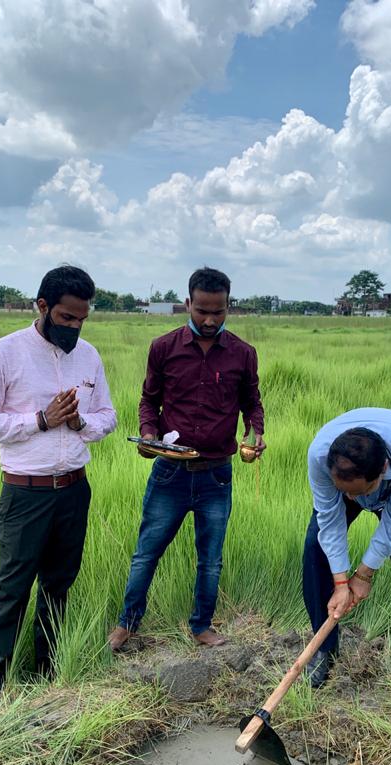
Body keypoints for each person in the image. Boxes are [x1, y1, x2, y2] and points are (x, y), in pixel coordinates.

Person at [0, 265, 116, 707]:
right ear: (43, 306)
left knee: (58, 583)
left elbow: (107, 416)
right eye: (67, 318)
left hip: (73, 489)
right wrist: (40, 420)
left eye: (82, 319)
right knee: (12, 586)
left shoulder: (88, 356)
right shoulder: (5, 353)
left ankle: (49, 670)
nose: (74, 327)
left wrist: (78, 420)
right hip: (25, 492)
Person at [108, 266, 265, 651]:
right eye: (202, 311)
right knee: (147, 552)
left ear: (229, 306)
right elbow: (149, 399)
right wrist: (148, 435)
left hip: (216, 476)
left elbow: (252, 402)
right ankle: (127, 624)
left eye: (219, 311)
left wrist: (255, 431)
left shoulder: (243, 354)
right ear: (188, 303)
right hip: (170, 472)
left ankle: (202, 626)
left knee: (210, 559)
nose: (210, 320)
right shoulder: (164, 347)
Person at [302, 408, 391, 687]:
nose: (352, 498)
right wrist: (341, 582)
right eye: (345, 492)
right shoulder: (319, 457)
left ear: (383, 471)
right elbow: (329, 521)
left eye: (359, 493)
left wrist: (363, 574)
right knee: (315, 551)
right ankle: (324, 652)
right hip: (351, 478)